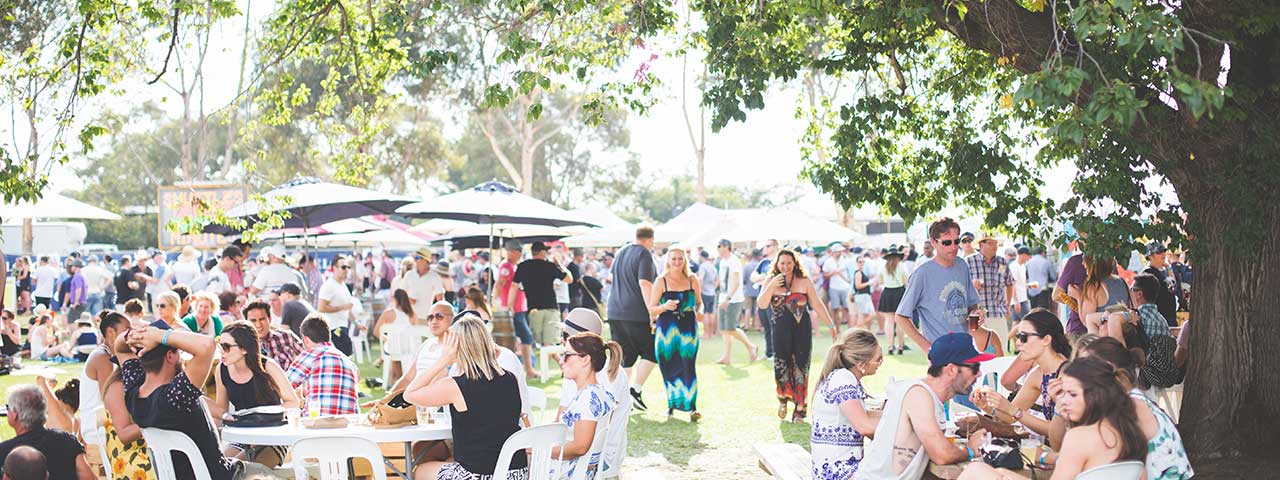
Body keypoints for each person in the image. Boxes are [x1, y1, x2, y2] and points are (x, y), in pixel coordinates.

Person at [116, 322, 280, 480]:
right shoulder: (175, 397)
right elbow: (207, 345)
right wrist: (157, 335)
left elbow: (119, 347)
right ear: (171, 356)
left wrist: (135, 335)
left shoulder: (133, 394)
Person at [960, 356, 1148, 480]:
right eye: (1062, 393)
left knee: (977, 471)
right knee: (998, 473)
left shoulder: (1081, 437)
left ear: (1094, 396)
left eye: (1072, 395)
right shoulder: (1133, 432)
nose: (1064, 401)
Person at [853, 333, 994, 480]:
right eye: (974, 367)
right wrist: (971, 449)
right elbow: (941, 454)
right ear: (951, 370)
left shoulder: (925, 395)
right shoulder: (918, 395)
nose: (979, 374)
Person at [404, 317, 528, 480]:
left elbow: (409, 394)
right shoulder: (511, 378)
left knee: (421, 471)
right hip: (516, 473)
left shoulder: (455, 386)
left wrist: (443, 361)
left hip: (479, 475)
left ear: (457, 347)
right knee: (448, 460)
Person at [1065, 337, 1193, 479]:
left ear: (1113, 375)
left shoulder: (1128, 407)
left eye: (1088, 372)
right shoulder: (1131, 400)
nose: (1081, 379)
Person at [756, 248, 838, 423]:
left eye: (789, 263)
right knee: (781, 366)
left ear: (795, 263)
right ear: (777, 264)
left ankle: (800, 409)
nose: (786, 266)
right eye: (782, 263)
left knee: (802, 366)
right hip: (779, 331)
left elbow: (817, 304)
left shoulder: (804, 280)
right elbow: (762, 305)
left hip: (802, 330)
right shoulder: (770, 280)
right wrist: (771, 286)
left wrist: (830, 325)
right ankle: (783, 399)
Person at [972, 309, 1072, 441]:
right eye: (1018, 336)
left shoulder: (1069, 374)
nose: (1017, 342)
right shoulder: (1038, 375)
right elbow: (1010, 417)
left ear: (1046, 339)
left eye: (1024, 337)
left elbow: (1062, 430)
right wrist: (990, 407)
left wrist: (1013, 410)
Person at [556, 309, 632, 476]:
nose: (561, 340)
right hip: (595, 456)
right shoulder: (596, 368)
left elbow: (581, 445)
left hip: (597, 460)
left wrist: (538, 447)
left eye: (564, 335)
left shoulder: (591, 377)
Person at [214, 322, 299, 462]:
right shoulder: (221, 369)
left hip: (272, 435)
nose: (221, 351)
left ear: (245, 349)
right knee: (219, 468)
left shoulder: (268, 367)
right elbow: (220, 412)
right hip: (242, 436)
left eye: (226, 347)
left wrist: (262, 416)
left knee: (241, 469)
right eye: (220, 344)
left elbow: (293, 402)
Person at [894, 217, 984, 351]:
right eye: (947, 242)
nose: (953, 247)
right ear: (933, 242)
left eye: (956, 241)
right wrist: (927, 347)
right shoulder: (922, 274)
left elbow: (972, 304)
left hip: (966, 347)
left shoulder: (962, 265)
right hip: (940, 353)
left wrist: (976, 313)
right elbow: (901, 316)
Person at [811, 329, 883, 480]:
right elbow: (864, 426)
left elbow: (864, 416)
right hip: (839, 472)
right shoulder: (843, 378)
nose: (881, 363)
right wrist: (902, 427)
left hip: (835, 469)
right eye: (878, 359)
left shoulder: (842, 377)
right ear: (861, 364)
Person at [646, 246, 703, 421]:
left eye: (680, 258)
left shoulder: (692, 279)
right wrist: (664, 306)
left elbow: (699, 303)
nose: (677, 262)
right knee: (669, 366)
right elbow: (651, 310)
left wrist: (699, 311)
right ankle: (672, 405)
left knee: (688, 365)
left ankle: (692, 407)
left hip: (688, 329)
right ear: (668, 261)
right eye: (673, 259)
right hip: (667, 330)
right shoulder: (661, 281)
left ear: (685, 260)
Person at [606, 226, 660, 411]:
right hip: (635, 312)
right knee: (653, 350)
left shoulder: (621, 251)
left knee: (624, 357)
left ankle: (619, 396)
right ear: (650, 239)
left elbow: (610, 277)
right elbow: (645, 282)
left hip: (614, 310)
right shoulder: (644, 254)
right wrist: (652, 309)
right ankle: (634, 390)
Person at [0, 384, 95, 480]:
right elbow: (89, 478)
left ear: (15, 414)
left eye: (8, 407)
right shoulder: (67, 440)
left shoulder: (4, 451)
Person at [285, 316, 358, 415]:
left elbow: (284, 385)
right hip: (349, 424)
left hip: (318, 423)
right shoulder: (348, 361)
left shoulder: (311, 355)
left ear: (305, 339)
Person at [514, 241, 573, 350]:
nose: (547, 253)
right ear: (541, 252)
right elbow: (569, 279)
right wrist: (559, 264)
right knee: (549, 342)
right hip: (551, 307)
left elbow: (514, 286)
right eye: (546, 251)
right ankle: (547, 363)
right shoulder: (550, 266)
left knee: (535, 341)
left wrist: (510, 305)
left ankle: (543, 363)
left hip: (533, 308)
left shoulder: (523, 266)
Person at [496, 240, 537, 377]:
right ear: (514, 252)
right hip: (512, 309)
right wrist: (500, 303)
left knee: (520, 338)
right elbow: (500, 284)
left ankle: (527, 369)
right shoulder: (506, 266)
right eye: (519, 251)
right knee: (523, 338)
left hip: (517, 308)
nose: (520, 254)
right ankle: (528, 369)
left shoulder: (512, 266)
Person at [714, 239, 758, 365]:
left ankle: (751, 346)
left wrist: (728, 298)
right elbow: (722, 280)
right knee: (724, 329)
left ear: (726, 246)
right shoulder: (723, 261)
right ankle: (726, 357)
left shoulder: (734, 261)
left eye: (719, 246)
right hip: (723, 297)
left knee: (731, 328)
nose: (717, 249)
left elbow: (736, 282)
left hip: (733, 299)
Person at [967, 233, 1015, 347]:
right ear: (981, 245)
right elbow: (960, 287)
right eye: (990, 243)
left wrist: (1008, 305)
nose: (995, 246)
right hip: (976, 315)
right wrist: (971, 285)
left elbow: (1010, 283)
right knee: (978, 351)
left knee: (1000, 349)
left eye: (996, 243)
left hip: (997, 312)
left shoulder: (1002, 262)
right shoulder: (969, 262)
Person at [373, 288, 417, 383]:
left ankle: (385, 362)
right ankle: (395, 376)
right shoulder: (412, 314)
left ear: (395, 299)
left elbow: (376, 332)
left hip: (394, 348)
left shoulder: (388, 313)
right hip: (410, 349)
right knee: (396, 346)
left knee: (392, 346)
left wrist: (387, 339)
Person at [316, 256, 357, 356]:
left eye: (348, 267)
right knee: (344, 356)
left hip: (343, 325)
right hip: (333, 327)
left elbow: (347, 308)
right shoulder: (329, 285)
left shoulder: (343, 285)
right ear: (334, 268)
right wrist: (342, 307)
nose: (346, 270)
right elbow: (321, 308)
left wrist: (356, 323)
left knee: (347, 356)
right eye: (343, 267)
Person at [876, 246, 910, 355]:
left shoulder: (883, 267)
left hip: (887, 293)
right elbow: (906, 282)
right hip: (899, 293)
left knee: (889, 321)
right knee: (900, 321)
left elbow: (880, 281)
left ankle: (890, 346)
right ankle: (900, 347)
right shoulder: (902, 266)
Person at [749, 239, 780, 359]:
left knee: (775, 327)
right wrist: (761, 277)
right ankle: (769, 353)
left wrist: (765, 280)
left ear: (775, 246)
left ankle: (776, 353)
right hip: (762, 299)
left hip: (774, 299)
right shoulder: (764, 262)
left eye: (768, 246)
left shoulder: (779, 262)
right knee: (766, 327)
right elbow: (753, 276)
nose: (765, 248)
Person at [1142, 242, 1182, 326]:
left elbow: (1173, 287)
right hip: (1157, 319)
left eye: (1164, 251)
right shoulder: (1148, 272)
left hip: (1169, 317)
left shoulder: (1163, 271)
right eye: (1159, 252)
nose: (1163, 254)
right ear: (1150, 256)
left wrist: (1168, 267)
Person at [823, 245, 853, 330]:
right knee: (835, 309)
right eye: (838, 251)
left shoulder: (845, 260)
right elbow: (825, 275)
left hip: (845, 287)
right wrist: (833, 273)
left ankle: (850, 329)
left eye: (841, 251)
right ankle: (837, 329)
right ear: (834, 252)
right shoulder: (828, 261)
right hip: (834, 288)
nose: (840, 253)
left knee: (847, 308)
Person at [696, 250, 719, 337]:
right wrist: (714, 287)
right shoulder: (712, 266)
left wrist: (699, 289)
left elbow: (700, 278)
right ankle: (711, 333)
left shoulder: (703, 266)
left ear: (701, 257)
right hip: (712, 292)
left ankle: (706, 333)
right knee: (711, 313)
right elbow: (717, 279)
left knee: (705, 313)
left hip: (705, 292)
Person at [851, 256, 875, 330]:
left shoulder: (862, 272)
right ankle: (857, 328)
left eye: (863, 262)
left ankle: (859, 328)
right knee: (863, 315)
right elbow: (857, 286)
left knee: (870, 314)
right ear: (857, 263)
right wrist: (868, 283)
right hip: (861, 295)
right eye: (860, 262)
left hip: (864, 295)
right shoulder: (858, 273)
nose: (862, 263)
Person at [1007, 247, 1030, 322]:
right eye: (1028, 256)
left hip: (1023, 298)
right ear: (1023, 255)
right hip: (1019, 300)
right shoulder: (1014, 267)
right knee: (1027, 321)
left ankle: (1011, 334)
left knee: (1016, 322)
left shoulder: (1023, 266)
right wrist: (1016, 302)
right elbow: (1012, 285)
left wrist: (1028, 285)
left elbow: (1021, 283)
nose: (1028, 258)